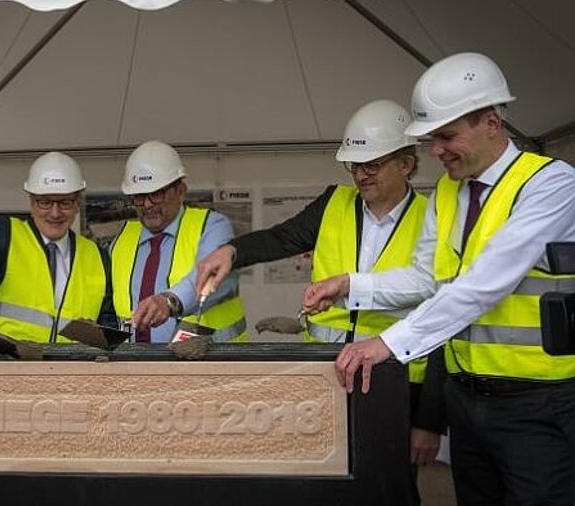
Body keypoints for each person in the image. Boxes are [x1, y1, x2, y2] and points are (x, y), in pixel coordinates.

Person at [304, 52, 575, 505]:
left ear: (492, 122)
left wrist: (387, 343)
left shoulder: (551, 184)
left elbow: (483, 284)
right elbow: (426, 277)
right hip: (466, 399)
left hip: (539, 403)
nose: (435, 151)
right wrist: (349, 284)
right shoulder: (449, 190)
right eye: (431, 138)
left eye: (447, 136)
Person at [196, 99, 446, 502]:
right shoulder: (335, 202)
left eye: (372, 164)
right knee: (325, 486)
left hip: (397, 384)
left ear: (407, 164)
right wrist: (232, 251)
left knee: (391, 490)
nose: (360, 175)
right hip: (327, 376)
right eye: (354, 165)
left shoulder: (435, 216)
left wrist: (430, 419)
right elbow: (282, 236)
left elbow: (444, 316)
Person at [0, 152, 116, 342]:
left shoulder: (97, 255)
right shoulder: (7, 234)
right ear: (31, 203)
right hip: (9, 365)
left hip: (73, 367)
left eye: (65, 202)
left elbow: (107, 323)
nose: (55, 213)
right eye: (45, 202)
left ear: (77, 204)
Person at [110, 140, 247, 342]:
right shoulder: (121, 240)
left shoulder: (212, 226)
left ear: (181, 191)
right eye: (139, 196)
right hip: (138, 365)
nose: (147, 205)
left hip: (207, 366)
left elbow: (213, 278)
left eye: (156, 194)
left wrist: (169, 302)